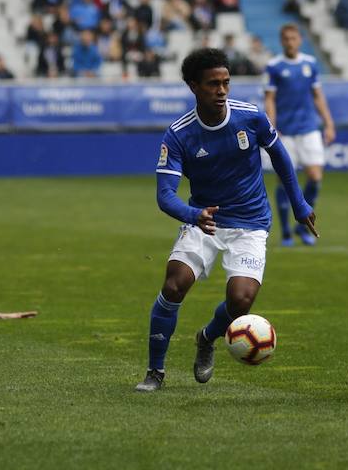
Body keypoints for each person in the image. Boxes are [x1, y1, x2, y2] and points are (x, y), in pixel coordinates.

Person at [135, 48, 317, 392]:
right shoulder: (179, 134)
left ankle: (206, 338)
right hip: (204, 221)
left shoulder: (251, 117)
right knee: (174, 284)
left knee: (241, 300)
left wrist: (299, 203)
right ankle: (154, 372)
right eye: (212, 84)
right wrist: (193, 215)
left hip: (250, 222)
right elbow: (165, 195)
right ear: (194, 87)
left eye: (226, 83)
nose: (221, 90)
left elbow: (279, 155)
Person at [263, 24, 335, 247]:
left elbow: (317, 95)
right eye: (286, 38)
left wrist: (329, 123)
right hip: (285, 132)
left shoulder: (310, 64)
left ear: (300, 40)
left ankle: (302, 225)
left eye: (293, 38)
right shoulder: (274, 66)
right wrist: (272, 126)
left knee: (315, 177)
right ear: (281, 41)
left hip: (309, 129)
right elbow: (269, 99)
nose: (290, 42)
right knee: (284, 180)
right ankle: (286, 231)